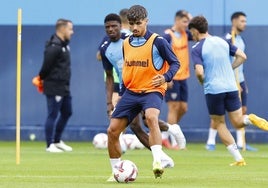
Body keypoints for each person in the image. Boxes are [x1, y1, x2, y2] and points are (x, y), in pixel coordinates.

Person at [100, 13, 185, 181]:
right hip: (131, 92)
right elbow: (126, 71)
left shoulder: (158, 41)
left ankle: (157, 162)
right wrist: (120, 97)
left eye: (138, 23)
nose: (134, 28)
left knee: (151, 118)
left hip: (152, 90)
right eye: (131, 24)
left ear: (146, 21)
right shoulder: (126, 43)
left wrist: (166, 77)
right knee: (112, 130)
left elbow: (176, 63)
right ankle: (115, 171)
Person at [189, 16, 268, 166]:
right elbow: (242, 56)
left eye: (191, 32)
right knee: (238, 122)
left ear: (194, 30)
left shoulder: (197, 48)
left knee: (219, 123)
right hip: (231, 87)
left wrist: (202, 81)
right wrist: (229, 69)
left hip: (213, 89)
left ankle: (239, 159)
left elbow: (199, 72)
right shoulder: (223, 42)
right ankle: (250, 119)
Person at [206, 12, 257, 151]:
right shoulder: (227, 39)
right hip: (228, 82)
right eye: (242, 21)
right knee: (218, 114)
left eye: (245, 21)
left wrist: (242, 83)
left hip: (240, 80)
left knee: (242, 111)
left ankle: (241, 143)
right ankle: (210, 141)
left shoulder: (240, 40)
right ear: (234, 21)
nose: (244, 24)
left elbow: (241, 65)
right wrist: (233, 81)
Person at [35, 19, 74, 152]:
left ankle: (57, 140)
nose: (72, 32)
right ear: (62, 29)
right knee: (53, 114)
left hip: (64, 86)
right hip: (54, 86)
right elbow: (46, 67)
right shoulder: (54, 46)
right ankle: (49, 144)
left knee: (67, 112)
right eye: (70, 29)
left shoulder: (65, 45)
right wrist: (40, 78)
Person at [162, 10, 192, 149]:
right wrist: (167, 76)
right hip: (172, 77)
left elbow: (198, 29)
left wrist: (190, 19)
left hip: (184, 77)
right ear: (177, 21)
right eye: (184, 22)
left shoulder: (186, 34)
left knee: (183, 108)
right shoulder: (168, 35)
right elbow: (161, 56)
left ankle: (165, 135)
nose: (186, 25)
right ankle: (175, 142)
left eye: (187, 22)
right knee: (173, 108)